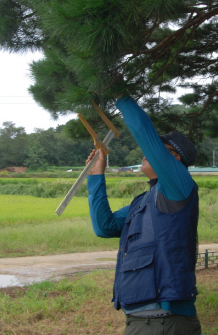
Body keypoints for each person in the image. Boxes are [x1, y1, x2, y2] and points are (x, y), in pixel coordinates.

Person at [86, 95, 201, 335]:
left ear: (175, 159)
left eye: (159, 149)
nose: (147, 152)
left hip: (165, 320)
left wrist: (120, 96)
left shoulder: (179, 187)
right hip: (139, 319)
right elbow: (104, 227)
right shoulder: (142, 201)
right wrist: (96, 175)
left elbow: (144, 134)